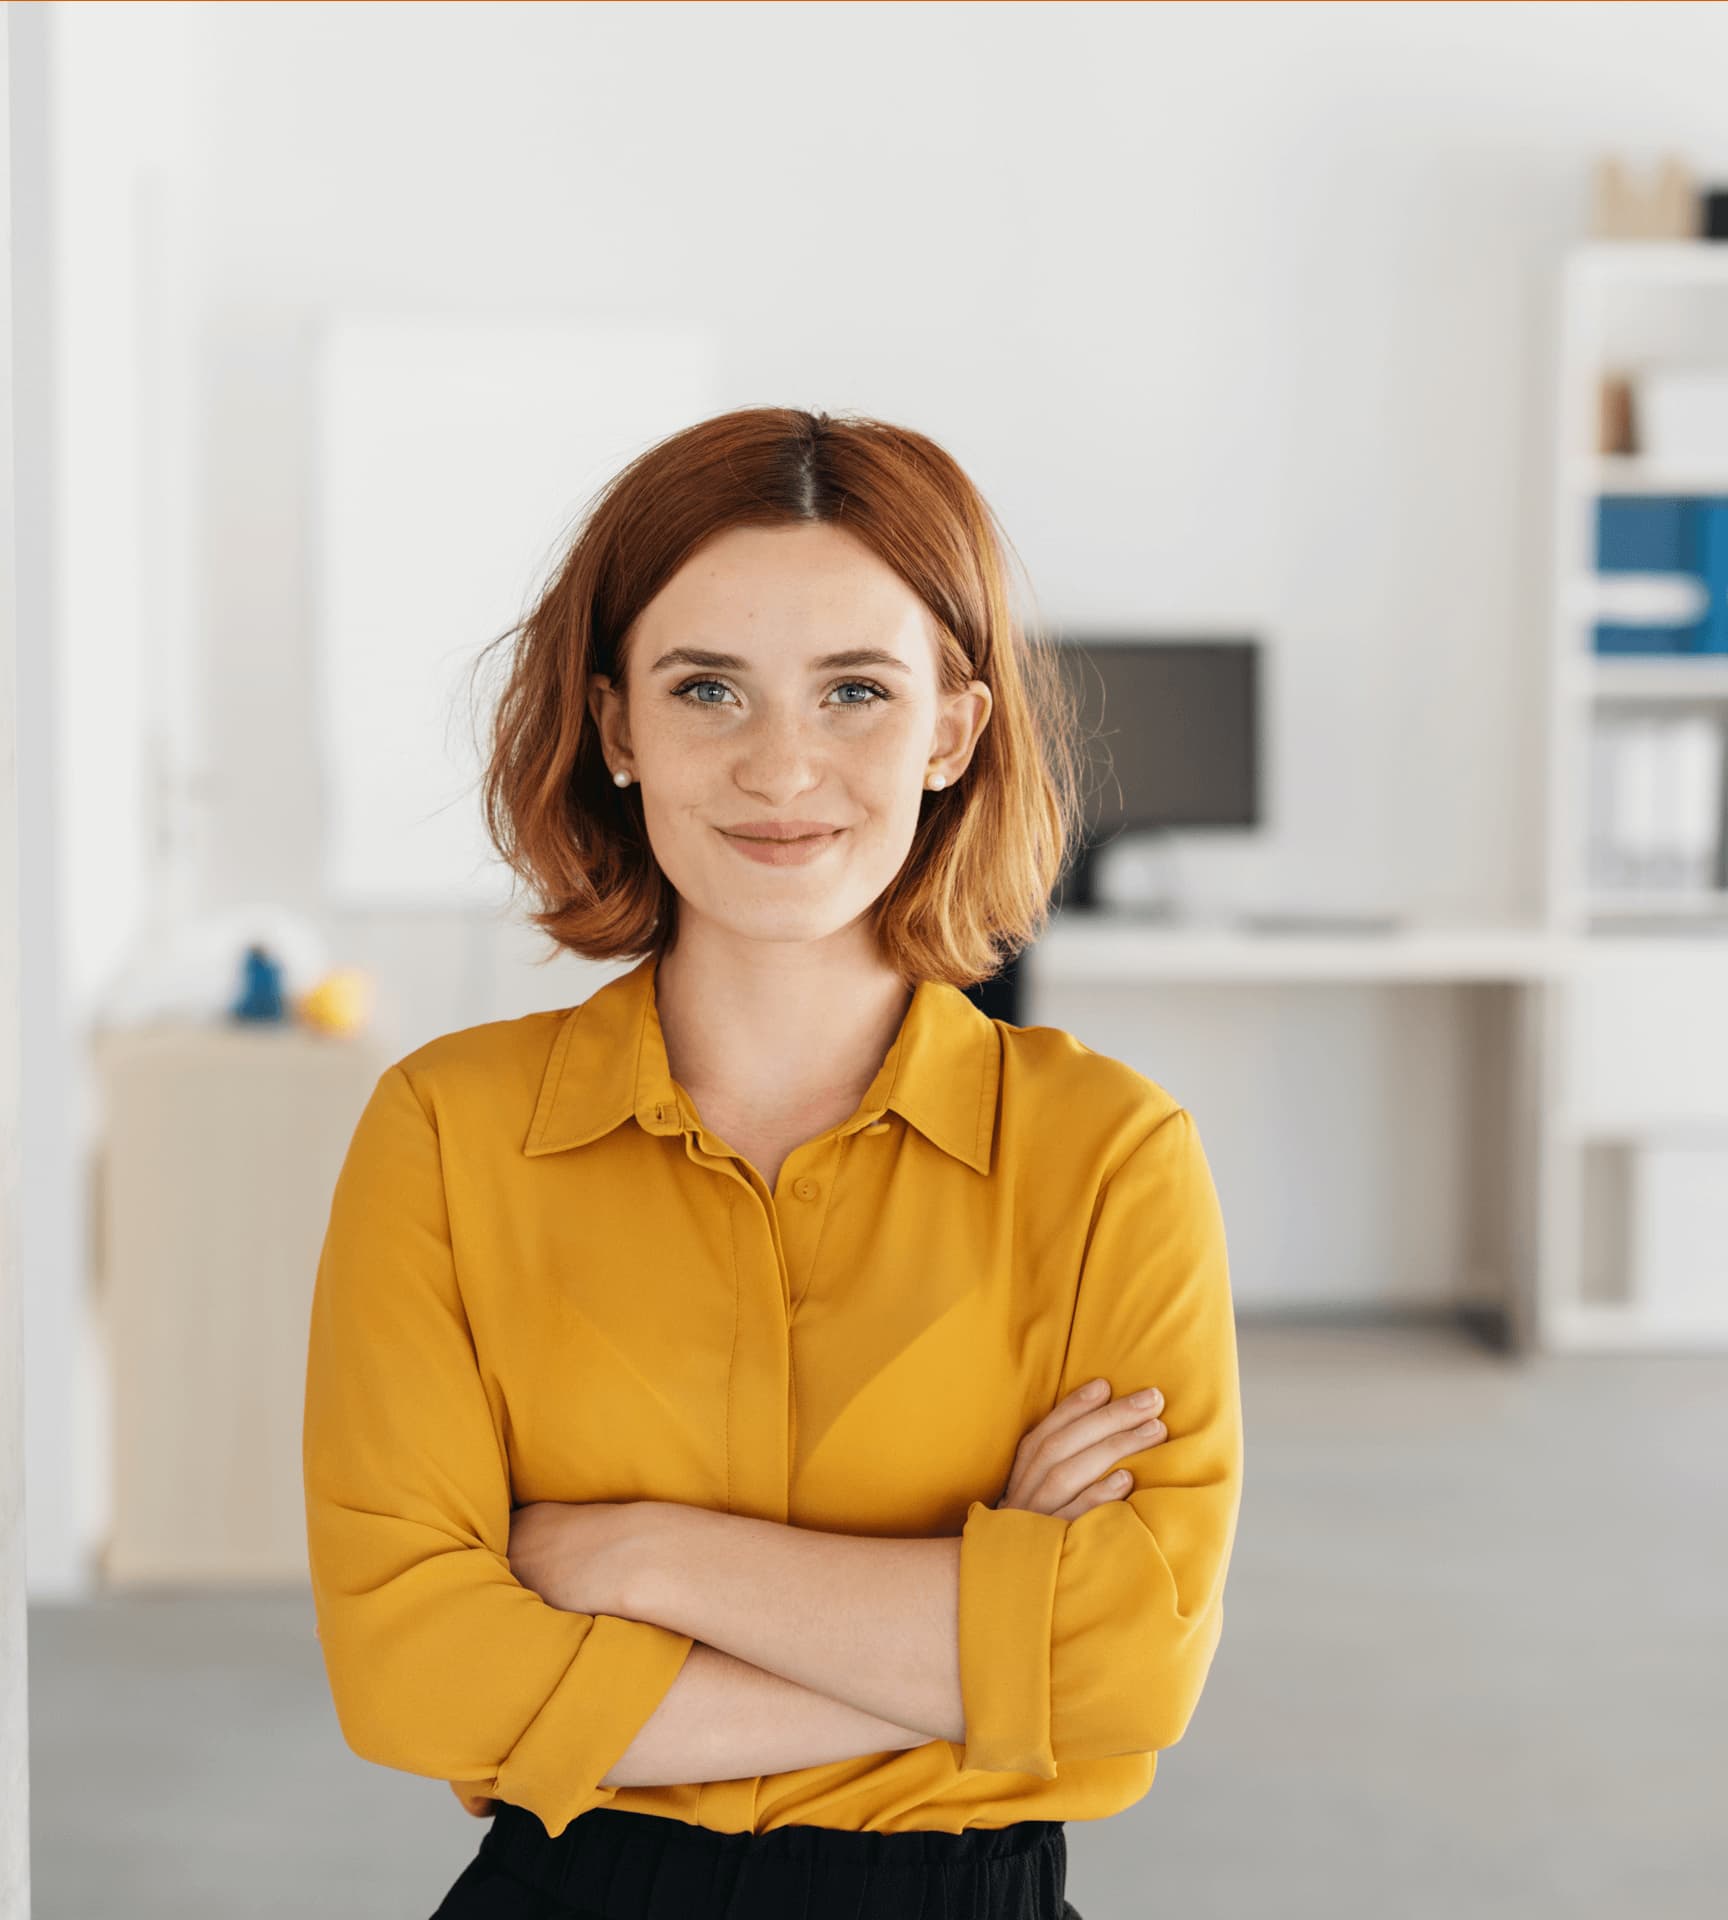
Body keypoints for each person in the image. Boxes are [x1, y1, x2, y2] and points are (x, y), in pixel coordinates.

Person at [301, 407, 1245, 1918]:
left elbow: (1134, 1666)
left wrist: (637, 1556)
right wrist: (989, 1660)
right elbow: (418, 1674)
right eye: (709, 689)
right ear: (618, 728)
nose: (781, 765)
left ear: (953, 726)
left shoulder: (1110, 1154)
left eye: (857, 690)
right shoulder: (445, 1132)